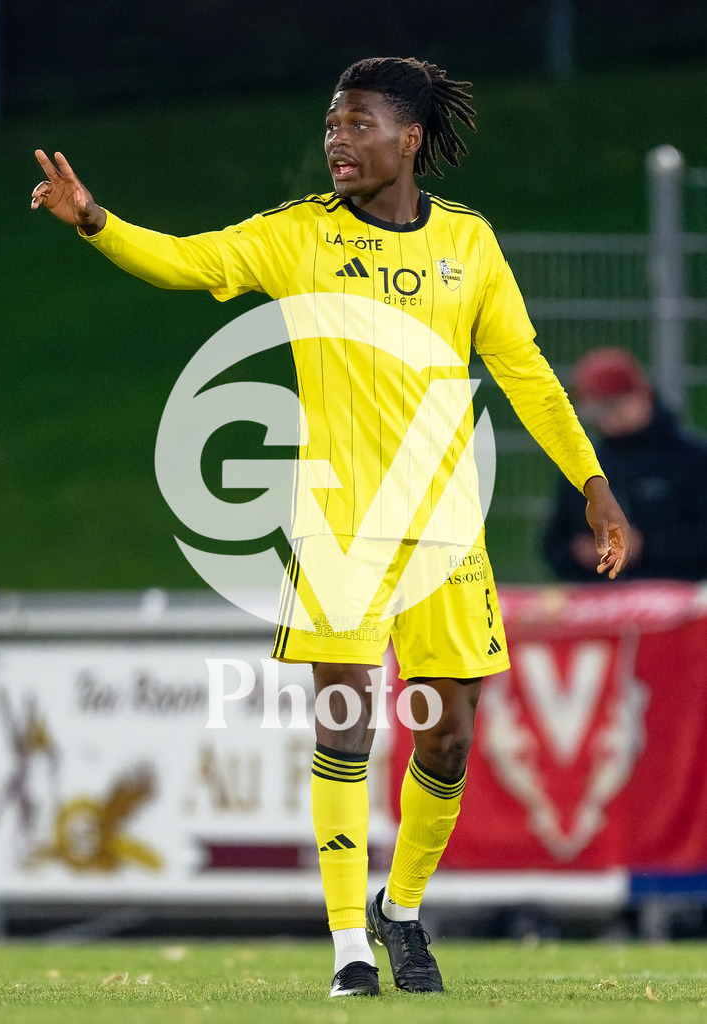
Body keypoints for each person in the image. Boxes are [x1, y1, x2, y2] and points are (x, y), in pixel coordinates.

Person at [31, 56, 631, 997]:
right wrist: (98, 222)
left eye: (357, 126)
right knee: (346, 721)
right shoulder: (297, 238)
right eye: (330, 126)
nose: (337, 141)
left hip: (444, 534)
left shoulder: (468, 246)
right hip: (340, 529)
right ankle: (350, 942)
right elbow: (192, 262)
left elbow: (525, 372)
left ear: (411, 140)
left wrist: (593, 485)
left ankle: (403, 911)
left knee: (448, 737)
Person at [544, 346, 707, 582]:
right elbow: (554, 545)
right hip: (602, 602)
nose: (606, 419)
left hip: (678, 598)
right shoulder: (585, 463)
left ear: (641, 395)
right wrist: (580, 553)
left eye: (612, 406)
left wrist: (648, 545)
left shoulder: (692, 459)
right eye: (596, 411)